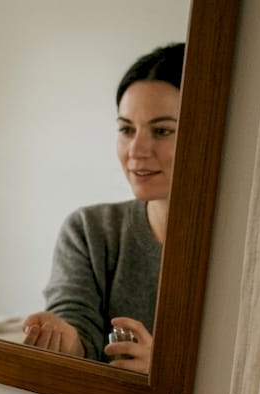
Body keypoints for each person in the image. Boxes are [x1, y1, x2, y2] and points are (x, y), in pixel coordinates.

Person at [22, 42, 184, 374]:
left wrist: (166, 372)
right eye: (126, 129)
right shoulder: (89, 230)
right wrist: (65, 339)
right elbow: (76, 323)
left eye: (162, 131)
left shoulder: (250, 251)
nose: (136, 150)